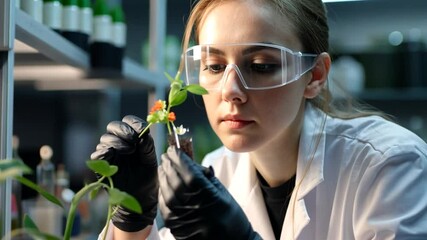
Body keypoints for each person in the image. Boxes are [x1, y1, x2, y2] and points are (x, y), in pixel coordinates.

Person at [91, 0, 427, 239]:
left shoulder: (389, 165)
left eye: (262, 66)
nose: (231, 91)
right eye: (214, 66)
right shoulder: (218, 170)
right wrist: (133, 217)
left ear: (315, 75)